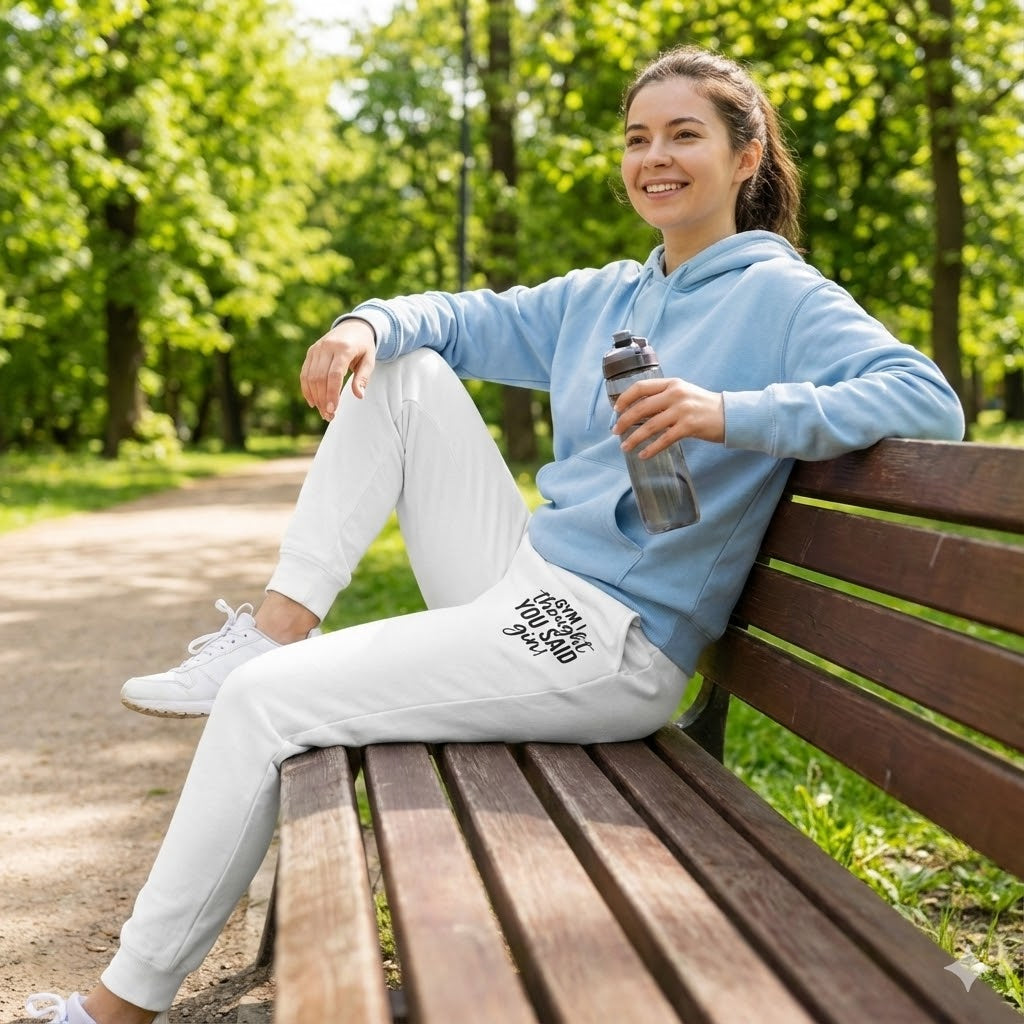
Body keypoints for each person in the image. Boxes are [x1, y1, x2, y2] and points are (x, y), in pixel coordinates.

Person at [27, 44, 964, 1023]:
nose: (655, 157)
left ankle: (112, 1010)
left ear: (746, 156)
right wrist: (362, 323)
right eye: (638, 137)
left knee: (262, 706)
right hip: (525, 577)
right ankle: (273, 627)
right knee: (403, 369)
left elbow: (924, 398)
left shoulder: (781, 295)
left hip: (607, 639)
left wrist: (727, 412)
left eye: (684, 135)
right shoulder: (610, 293)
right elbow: (456, 316)